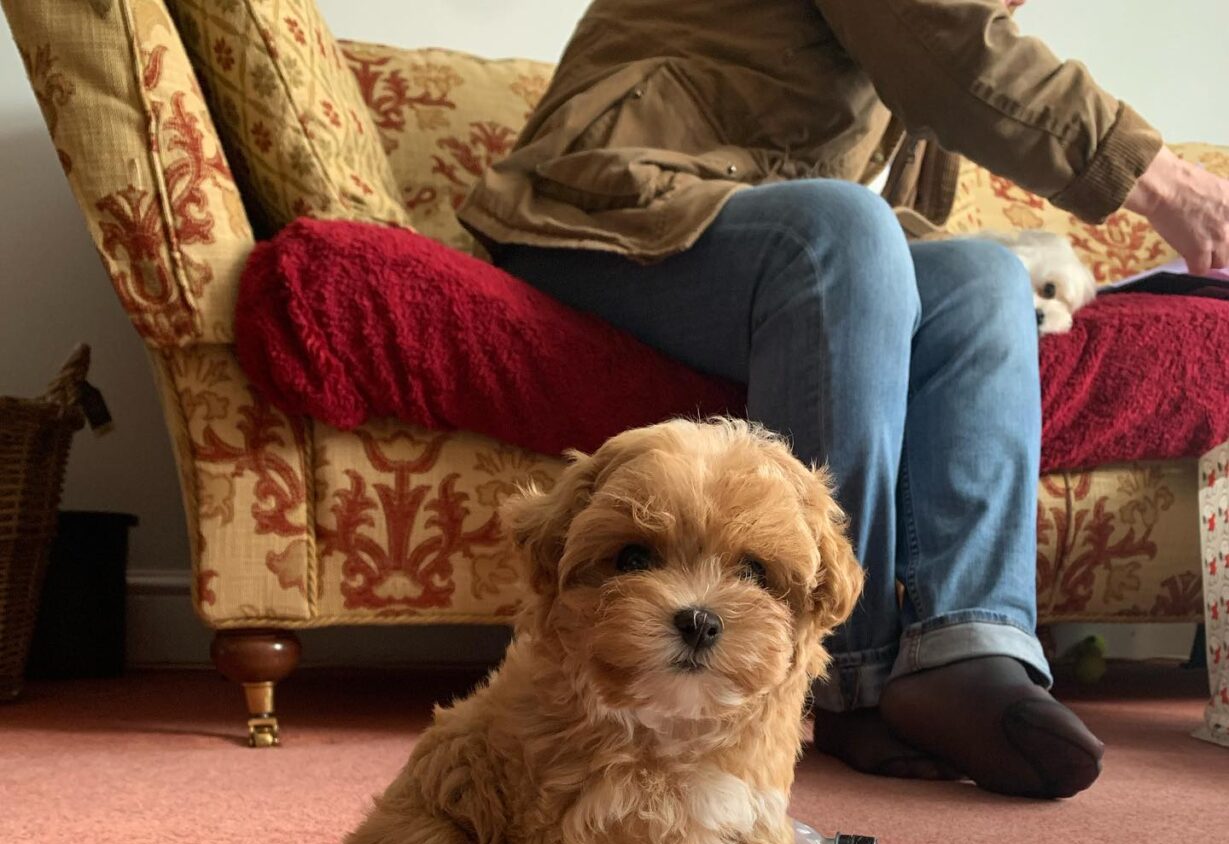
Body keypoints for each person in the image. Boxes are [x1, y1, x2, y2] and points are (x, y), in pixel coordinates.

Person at [459, 0, 1229, 799]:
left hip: (750, 219)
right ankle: (842, 672)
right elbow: (952, 53)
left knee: (982, 279)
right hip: (600, 203)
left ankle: (967, 649)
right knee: (838, 230)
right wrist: (1166, 182)